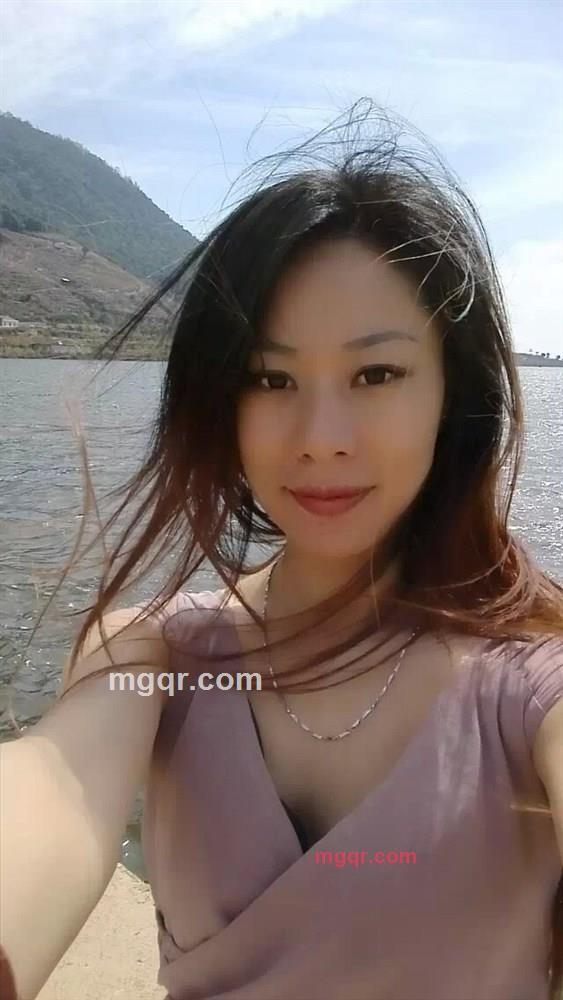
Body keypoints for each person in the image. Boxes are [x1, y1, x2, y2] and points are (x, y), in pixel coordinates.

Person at [1, 99, 562, 1000]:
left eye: (375, 374)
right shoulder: (152, 656)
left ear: (451, 397)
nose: (321, 438)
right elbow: (57, 789)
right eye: (270, 379)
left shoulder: (527, 681)